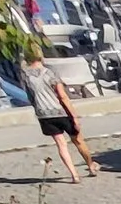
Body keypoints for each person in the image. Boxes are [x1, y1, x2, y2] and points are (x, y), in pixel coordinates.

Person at [18, 41, 96, 182]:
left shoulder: (26, 76)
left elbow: (30, 97)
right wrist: (74, 117)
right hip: (61, 111)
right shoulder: (50, 73)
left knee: (61, 144)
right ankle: (91, 166)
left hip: (44, 114)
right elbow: (63, 96)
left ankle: (74, 175)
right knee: (78, 140)